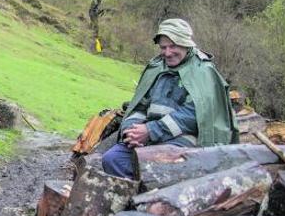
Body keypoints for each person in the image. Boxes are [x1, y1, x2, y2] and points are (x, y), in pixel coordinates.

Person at [102, 19, 238, 178]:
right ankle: (132, 197)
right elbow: (139, 105)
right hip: (150, 137)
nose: (167, 53)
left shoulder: (203, 71)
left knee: (154, 167)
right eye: (163, 47)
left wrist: (151, 131)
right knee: (112, 160)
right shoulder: (157, 66)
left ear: (186, 44)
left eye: (173, 46)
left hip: (185, 140)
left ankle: (153, 199)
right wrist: (131, 131)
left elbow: (193, 116)